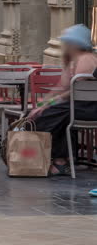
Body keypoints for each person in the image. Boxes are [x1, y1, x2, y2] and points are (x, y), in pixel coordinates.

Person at [30, 25, 97, 176]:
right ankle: (63, 159)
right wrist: (41, 104)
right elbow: (60, 87)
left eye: (67, 43)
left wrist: (48, 104)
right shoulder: (74, 60)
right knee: (51, 114)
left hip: (89, 108)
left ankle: (60, 161)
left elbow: (73, 91)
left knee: (50, 116)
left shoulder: (86, 59)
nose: (64, 46)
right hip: (76, 107)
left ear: (75, 44)